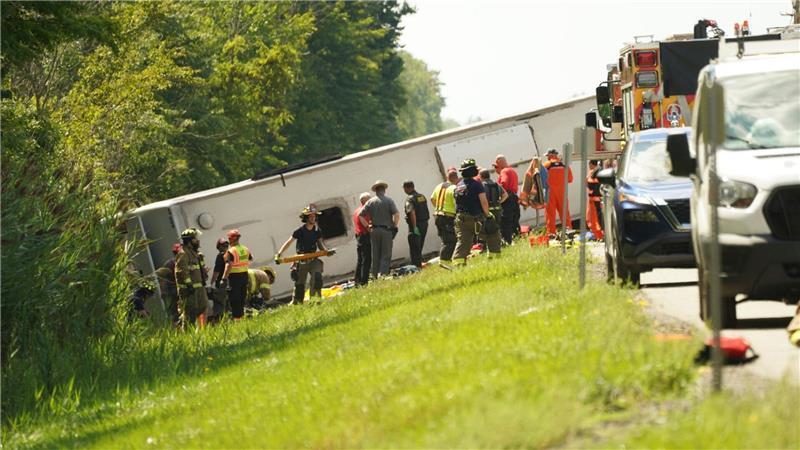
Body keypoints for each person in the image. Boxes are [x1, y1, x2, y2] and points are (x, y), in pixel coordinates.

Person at [275, 205, 333, 304]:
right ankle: (297, 303)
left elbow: (320, 245)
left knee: (317, 279)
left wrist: (326, 252)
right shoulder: (300, 231)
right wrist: (279, 254)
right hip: (301, 262)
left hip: (314, 260)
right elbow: (289, 242)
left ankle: (315, 302)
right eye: (310, 216)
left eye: (314, 216)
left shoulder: (316, 231)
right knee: (299, 285)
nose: (313, 218)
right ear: (306, 218)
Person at [452, 159, 493, 266]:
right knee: (493, 234)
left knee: (463, 241)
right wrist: (488, 215)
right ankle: (494, 256)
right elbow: (483, 201)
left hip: (460, 218)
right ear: (472, 170)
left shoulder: (458, 185)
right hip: (474, 218)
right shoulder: (476, 184)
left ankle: (458, 264)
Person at [360, 180, 400, 278]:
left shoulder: (370, 201)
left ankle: (374, 276)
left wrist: (367, 226)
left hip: (374, 230)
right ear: (384, 190)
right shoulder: (389, 200)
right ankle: (383, 275)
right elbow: (397, 214)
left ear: (376, 191)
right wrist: (395, 225)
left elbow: (361, 216)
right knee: (386, 254)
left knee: (375, 254)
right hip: (386, 230)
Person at [175, 228, 210, 328]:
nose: (197, 241)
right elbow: (182, 271)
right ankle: (186, 333)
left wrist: (204, 274)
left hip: (199, 288)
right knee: (190, 312)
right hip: (189, 290)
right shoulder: (183, 254)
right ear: (189, 241)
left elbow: (197, 269)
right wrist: (189, 285)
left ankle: (200, 331)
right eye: (195, 239)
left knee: (203, 307)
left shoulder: (195, 253)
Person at [221, 229, 252, 320]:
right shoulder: (245, 249)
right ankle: (241, 317)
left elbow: (229, 265)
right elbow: (251, 258)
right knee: (242, 297)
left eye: (229, 238)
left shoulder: (231, 251)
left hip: (234, 277)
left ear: (231, 239)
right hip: (244, 275)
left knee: (235, 299)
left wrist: (224, 279)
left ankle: (238, 320)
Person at [430, 167, 459, 263]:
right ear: (456, 178)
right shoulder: (454, 188)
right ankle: (444, 261)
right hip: (447, 217)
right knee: (451, 240)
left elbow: (432, 199)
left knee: (444, 239)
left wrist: (438, 208)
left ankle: (447, 259)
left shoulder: (439, 186)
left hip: (438, 216)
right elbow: (457, 203)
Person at [544, 148, 573, 237]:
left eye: (547, 156)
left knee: (550, 215)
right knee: (565, 214)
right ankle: (568, 232)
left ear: (550, 155)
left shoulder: (546, 165)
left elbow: (540, 179)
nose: (547, 157)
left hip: (550, 193)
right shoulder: (565, 165)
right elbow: (570, 179)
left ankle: (551, 234)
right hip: (562, 193)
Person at [479, 168, 507, 257]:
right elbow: (505, 195)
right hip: (497, 209)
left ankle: (488, 248)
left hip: (488, 211)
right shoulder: (496, 184)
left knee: (487, 230)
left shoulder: (481, 186)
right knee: (497, 228)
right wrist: (499, 202)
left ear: (481, 176)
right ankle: (499, 245)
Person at [403, 180, 430, 268]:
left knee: (414, 247)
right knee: (419, 246)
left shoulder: (410, 198)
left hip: (416, 225)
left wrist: (414, 227)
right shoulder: (421, 196)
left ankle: (416, 267)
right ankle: (419, 265)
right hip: (424, 224)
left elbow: (412, 212)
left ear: (407, 188)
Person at [494, 154, 520, 244]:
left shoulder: (504, 171)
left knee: (506, 220)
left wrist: (497, 190)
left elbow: (504, 183)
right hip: (514, 197)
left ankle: (507, 240)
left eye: (497, 162)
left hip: (507, 198)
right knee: (514, 219)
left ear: (500, 162)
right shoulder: (512, 170)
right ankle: (517, 237)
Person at [353, 192, 372, 286]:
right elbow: (367, 224)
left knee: (360, 260)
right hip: (365, 236)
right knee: (367, 260)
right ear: (365, 201)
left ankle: (357, 281)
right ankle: (364, 282)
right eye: (369, 199)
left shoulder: (356, 211)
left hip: (359, 236)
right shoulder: (364, 211)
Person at [209, 237, 230, 317]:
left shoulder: (220, 256)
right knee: (229, 303)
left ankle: (219, 320)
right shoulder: (231, 255)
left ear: (219, 247)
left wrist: (212, 283)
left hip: (222, 283)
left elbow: (216, 272)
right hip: (232, 282)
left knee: (219, 303)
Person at [586, 160, 604, 240]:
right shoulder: (597, 172)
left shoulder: (594, 173)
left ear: (591, 164)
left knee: (594, 218)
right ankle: (597, 234)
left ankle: (598, 235)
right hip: (595, 199)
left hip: (594, 200)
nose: (589, 166)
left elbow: (588, 182)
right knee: (594, 218)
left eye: (589, 164)